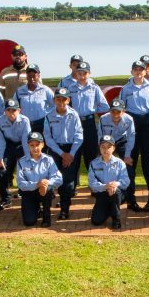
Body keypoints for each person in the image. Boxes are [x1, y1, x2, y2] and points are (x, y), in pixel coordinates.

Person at [119, 60, 149, 211]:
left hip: (148, 125)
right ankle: (130, 199)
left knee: (148, 161)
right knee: (130, 160)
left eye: (141, 69)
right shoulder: (125, 89)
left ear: (145, 71)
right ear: (131, 71)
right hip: (132, 124)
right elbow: (121, 109)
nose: (138, 72)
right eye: (135, 69)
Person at [61, 61, 109, 180]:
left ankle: (95, 184)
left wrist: (91, 109)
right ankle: (72, 185)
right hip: (74, 124)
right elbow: (65, 106)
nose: (82, 75)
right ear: (76, 74)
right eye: (79, 73)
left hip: (89, 123)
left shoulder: (94, 88)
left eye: (85, 73)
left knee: (91, 154)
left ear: (89, 73)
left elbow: (105, 106)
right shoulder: (70, 89)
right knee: (75, 154)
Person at [44, 87, 83, 220]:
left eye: (64, 99)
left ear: (68, 100)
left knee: (68, 182)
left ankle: (65, 206)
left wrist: (70, 154)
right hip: (56, 150)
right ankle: (60, 208)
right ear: (54, 100)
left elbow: (79, 136)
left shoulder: (74, 114)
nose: (61, 102)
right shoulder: (49, 116)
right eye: (58, 99)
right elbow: (48, 138)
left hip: (72, 149)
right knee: (56, 178)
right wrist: (62, 154)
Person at [17, 132, 64, 227]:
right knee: (29, 222)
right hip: (29, 193)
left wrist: (46, 182)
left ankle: (46, 216)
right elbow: (21, 184)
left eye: (37, 145)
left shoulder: (49, 160)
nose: (35, 148)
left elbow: (59, 178)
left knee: (48, 188)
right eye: (32, 145)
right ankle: (36, 209)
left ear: (43, 144)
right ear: (28, 146)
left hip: (44, 191)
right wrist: (37, 184)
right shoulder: (21, 162)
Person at [97, 99, 139, 206]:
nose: (115, 115)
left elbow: (131, 137)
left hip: (122, 141)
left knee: (128, 168)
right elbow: (100, 137)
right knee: (101, 165)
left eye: (118, 112)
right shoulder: (103, 119)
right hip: (107, 143)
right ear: (109, 111)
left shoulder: (129, 119)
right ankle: (103, 195)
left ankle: (130, 199)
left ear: (123, 111)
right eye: (113, 112)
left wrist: (128, 155)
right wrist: (104, 152)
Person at [0, 99, 32, 211]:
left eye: (14, 110)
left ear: (19, 110)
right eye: (8, 110)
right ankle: (5, 198)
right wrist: (0, 158)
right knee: (1, 170)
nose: (11, 113)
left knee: (25, 168)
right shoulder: (0, 121)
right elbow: (1, 141)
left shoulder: (25, 120)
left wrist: (27, 158)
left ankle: (24, 193)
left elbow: (26, 141)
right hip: (8, 145)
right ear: (4, 111)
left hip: (22, 144)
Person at [88, 135, 130, 229]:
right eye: (103, 147)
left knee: (115, 192)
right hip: (102, 193)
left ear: (114, 148)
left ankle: (116, 218)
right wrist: (106, 186)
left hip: (117, 193)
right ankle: (109, 209)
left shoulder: (120, 163)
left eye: (109, 147)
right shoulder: (93, 164)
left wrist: (115, 184)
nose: (105, 149)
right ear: (99, 147)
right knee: (96, 221)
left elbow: (126, 181)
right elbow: (92, 183)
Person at [14, 63, 54, 136]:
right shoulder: (19, 91)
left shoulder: (45, 90)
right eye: (29, 76)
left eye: (34, 76)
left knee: (43, 146)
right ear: (26, 76)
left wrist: (47, 114)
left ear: (38, 75)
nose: (32, 79)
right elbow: (14, 107)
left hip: (42, 124)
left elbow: (54, 105)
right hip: (25, 125)